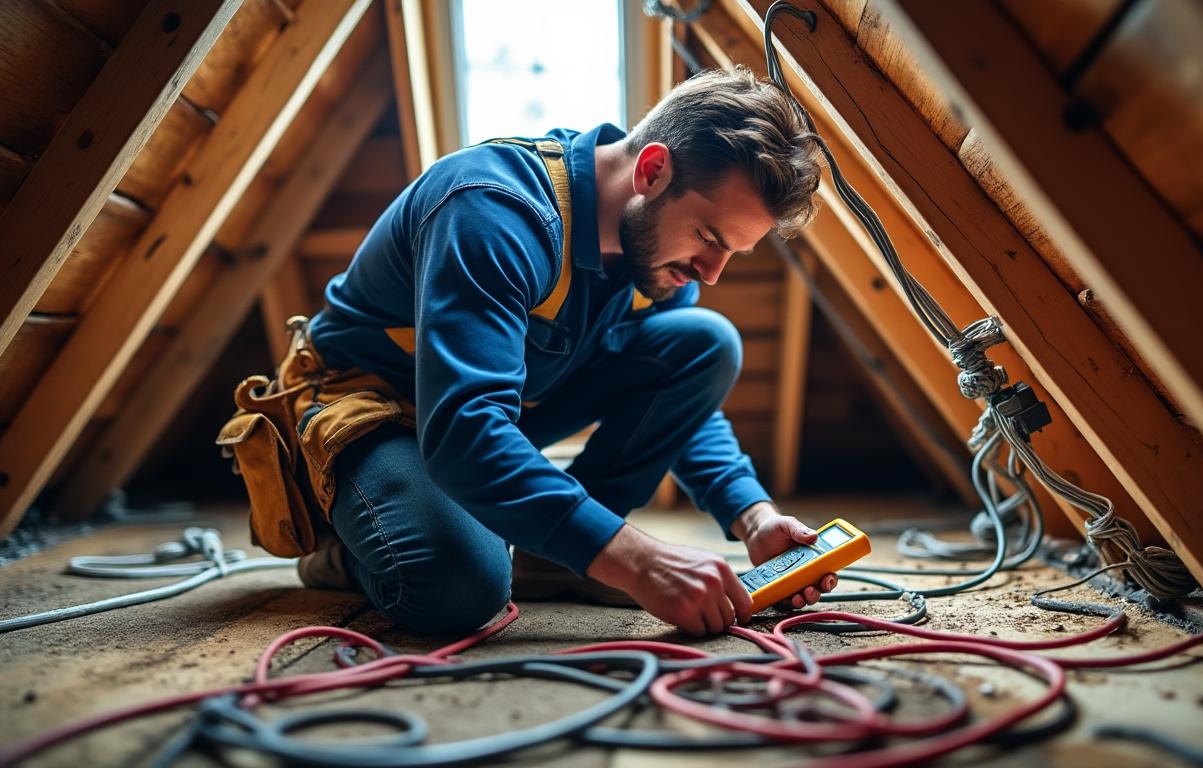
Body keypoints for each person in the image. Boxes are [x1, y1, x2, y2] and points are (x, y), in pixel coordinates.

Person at [292, 66, 835, 636]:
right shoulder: (492, 209)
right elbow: (466, 431)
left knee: (705, 342)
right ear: (652, 171)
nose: (712, 273)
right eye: (709, 237)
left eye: (733, 254)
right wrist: (638, 558)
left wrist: (753, 516)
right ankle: (351, 547)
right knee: (459, 586)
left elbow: (680, 398)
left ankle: (554, 559)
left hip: (492, 412)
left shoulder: (653, 255)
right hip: (366, 417)